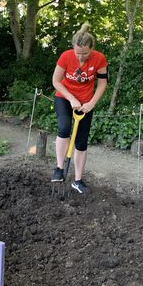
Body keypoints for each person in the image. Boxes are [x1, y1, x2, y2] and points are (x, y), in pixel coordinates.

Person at [51, 22, 108, 194]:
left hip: (85, 104)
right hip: (64, 98)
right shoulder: (65, 56)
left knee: (81, 143)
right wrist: (71, 98)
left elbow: (102, 83)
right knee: (64, 128)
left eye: (85, 53)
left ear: (91, 48)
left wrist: (91, 103)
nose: (81, 57)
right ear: (73, 48)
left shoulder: (99, 58)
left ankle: (77, 180)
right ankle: (59, 169)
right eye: (78, 53)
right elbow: (56, 81)